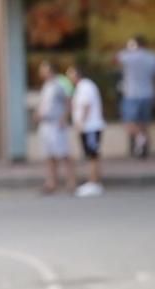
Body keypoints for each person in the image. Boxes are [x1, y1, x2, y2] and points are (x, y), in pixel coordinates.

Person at [116, 35, 155, 159]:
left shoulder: (127, 56)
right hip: (148, 93)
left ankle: (140, 139)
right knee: (143, 123)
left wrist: (125, 49)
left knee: (128, 123)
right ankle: (142, 147)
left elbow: (114, 60)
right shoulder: (153, 57)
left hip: (131, 94)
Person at [35, 61, 76, 194]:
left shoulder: (61, 83)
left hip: (57, 124)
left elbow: (69, 101)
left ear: (51, 70)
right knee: (49, 155)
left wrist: (65, 118)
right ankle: (51, 182)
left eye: (44, 70)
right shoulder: (46, 85)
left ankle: (71, 182)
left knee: (63, 154)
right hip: (45, 124)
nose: (41, 73)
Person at [67, 65, 106, 197]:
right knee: (91, 154)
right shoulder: (81, 87)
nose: (69, 78)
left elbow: (86, 105)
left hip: (90, 127)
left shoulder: (85, 86)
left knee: (92, 155)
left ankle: (93, 182)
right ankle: (94, 181)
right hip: (88, 127)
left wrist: (80, 123)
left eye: (70, 74)